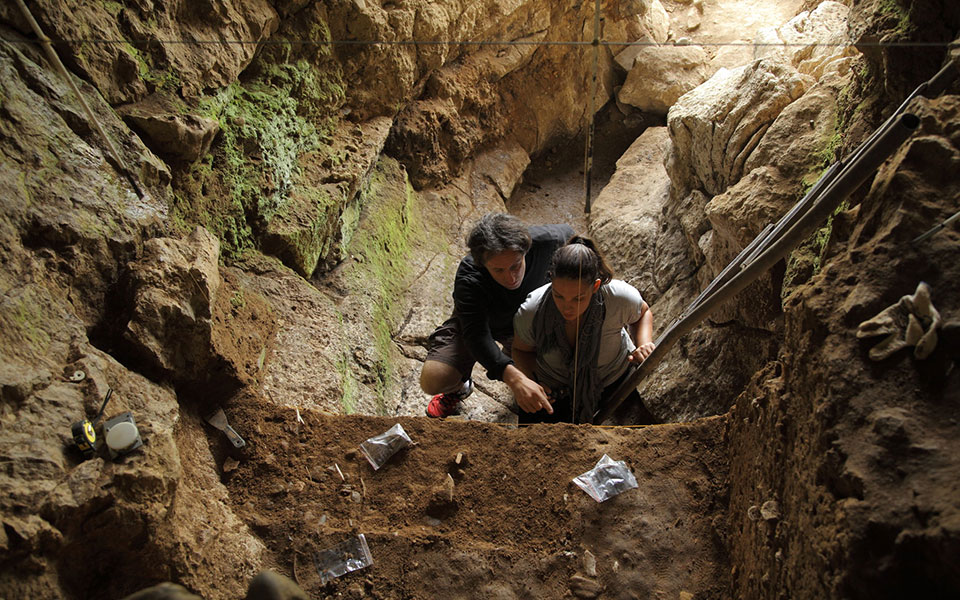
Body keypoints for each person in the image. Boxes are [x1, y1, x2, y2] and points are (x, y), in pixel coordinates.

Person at [421, 213, 574, 418]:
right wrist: (513, 378)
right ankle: (459, 388)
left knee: (552, 376)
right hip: (482, 321)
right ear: (483, 264)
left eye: (515, 265)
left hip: (528, 322)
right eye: (498, 270)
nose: (510, 278)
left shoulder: (550, 241)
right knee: (434, 378)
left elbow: (579, 247)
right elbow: (476, 334)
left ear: (525, 250)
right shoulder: (470, 276)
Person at [512, 236, 656, 424]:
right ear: (551, 280)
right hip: (554, 388)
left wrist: (643, 343)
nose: (567, 307)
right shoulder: (532, 310)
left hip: (613, 381)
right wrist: (531, 382)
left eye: (578, 298)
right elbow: (521, 350)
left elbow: (643, 313)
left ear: (595, 286)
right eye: (559, 296)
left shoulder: (618, 297)